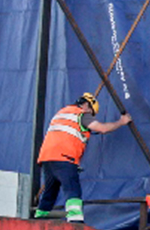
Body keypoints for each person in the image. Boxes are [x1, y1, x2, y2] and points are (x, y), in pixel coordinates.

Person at [33, 93, 131, 222]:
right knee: (72, 188)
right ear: (86, 105)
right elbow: (102, 128)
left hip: (47, 158)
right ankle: (75, 219)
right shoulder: (82, 115)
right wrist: (121, 122)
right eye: (91, 112)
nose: (91, 115)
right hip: (65, 158)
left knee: (50, 191)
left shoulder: (62, 112)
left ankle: (39, 218)